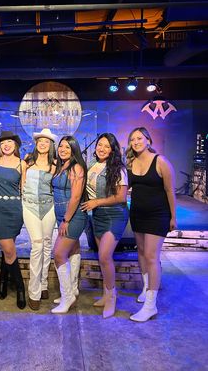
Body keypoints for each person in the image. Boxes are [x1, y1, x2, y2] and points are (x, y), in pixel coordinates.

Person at [126, 127, 177, 322]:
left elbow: (170, 191)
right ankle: (146, 288)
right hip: (138, 214)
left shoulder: (161, 161)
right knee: (141, 252)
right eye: (132, 139)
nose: (136, 142)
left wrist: (173, 217)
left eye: (139, 138)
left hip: (158, 215)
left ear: (148, 140)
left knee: (151, 256)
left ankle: (150, 305)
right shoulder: (131, 162)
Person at [81, 133, 129, 318]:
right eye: (100, 145)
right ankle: (105, 293)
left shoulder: (119, 169)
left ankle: (112, 297)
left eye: (106, 146)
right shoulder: (92, 165)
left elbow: (120, 197)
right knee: (102, 258)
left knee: (104, 256)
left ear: (113, 150)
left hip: (114, 215)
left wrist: (96, 203)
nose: (101, 148)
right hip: (98, 216)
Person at [0, 130, 26, 310]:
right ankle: (20, 289)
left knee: (7, 250)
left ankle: (2, 281)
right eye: (3, 142)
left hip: (14, 210)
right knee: (10, 250)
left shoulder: (21, 163)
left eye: (10, 141)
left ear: (15, 144)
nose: (6, 144)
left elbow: (22, 189)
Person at [51, 136, 87, 314]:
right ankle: (72, 289)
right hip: (62, 215)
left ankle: (67, 297)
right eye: (61, 146)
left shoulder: (76, 167)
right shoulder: (61, 166)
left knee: (58, 254)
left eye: (67, 146)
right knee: (73, 251)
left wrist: (66, 219)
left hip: (72, 217)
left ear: (74, 149)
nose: (63, 149)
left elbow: (75, 197)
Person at [22, 128, 57, 310]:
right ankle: (33, 291)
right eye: (40, 141)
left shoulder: (55, 164)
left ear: (51, 145)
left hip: (49, 206)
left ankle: (43, 284)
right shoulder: (27, 161)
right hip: (29, 206)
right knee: (37, 245)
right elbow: (22, 185)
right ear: (36, 143)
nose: (43, 143)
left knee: (47, 243)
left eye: (46, 141)